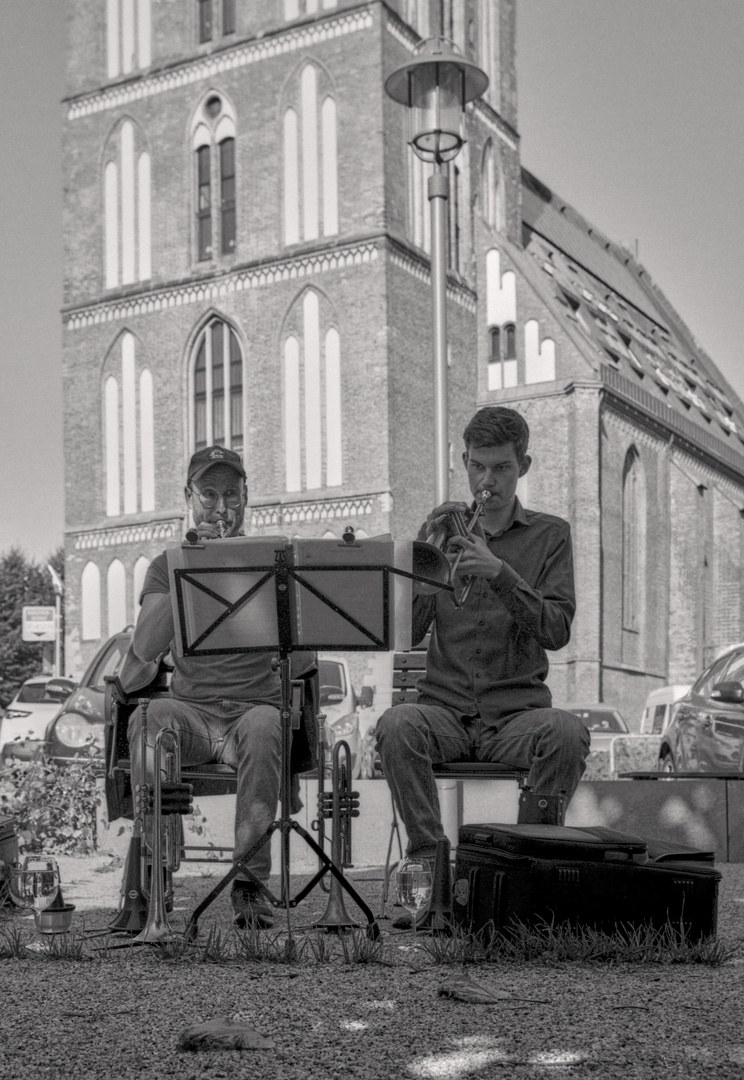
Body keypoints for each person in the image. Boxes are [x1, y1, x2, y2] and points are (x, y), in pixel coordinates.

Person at [376, 406, 590, 870]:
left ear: (523, 467)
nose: (485, 482)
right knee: (397, 725)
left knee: (567, 733)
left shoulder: (551, 535)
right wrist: (421, 565)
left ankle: (524, 869)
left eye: (500, 468)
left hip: (516, 716)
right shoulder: (445, 533)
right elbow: (407, 634)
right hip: (444, 713)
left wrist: (500, 574)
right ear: (464, 461)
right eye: (477, 466)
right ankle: (429, 867)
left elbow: (556, 630)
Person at [128, 445, 315, 929]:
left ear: (247, 496)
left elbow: (308, 659)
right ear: (188, 498)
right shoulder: (164, 564)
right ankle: (155, 873)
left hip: (251, 711)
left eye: (231, 493)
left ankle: (249, 885)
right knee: (148, 718)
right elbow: (146, 648)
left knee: (263, 724)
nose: (221, 506)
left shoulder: (276, 561)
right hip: (192, 714)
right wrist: (190, 565)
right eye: (208, 494)